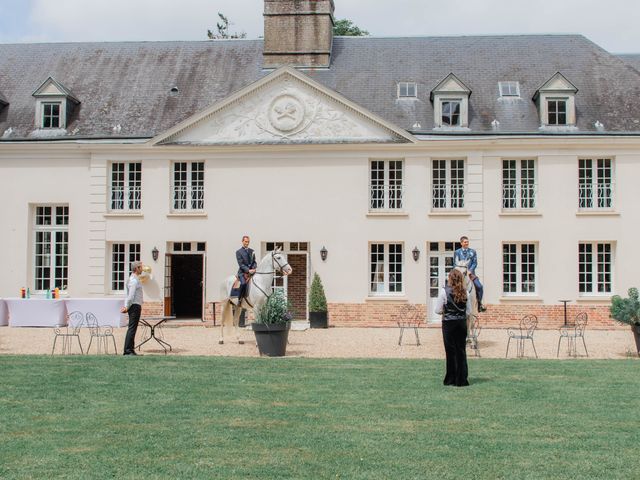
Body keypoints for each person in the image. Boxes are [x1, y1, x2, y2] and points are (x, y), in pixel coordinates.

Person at [435, 269, 471, 387]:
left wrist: (446, 311)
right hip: (461, 323)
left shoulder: (444, 292)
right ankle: (461, 379)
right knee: (461, 350)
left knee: (450, 351)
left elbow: (438, 310)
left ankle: (451, 378)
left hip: (449, 323)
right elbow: (468, 311)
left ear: (450, 279)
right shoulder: (466, 292)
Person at [454, 236, 486, 312]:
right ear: (461, 243)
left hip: (470, 274)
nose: (467, 243)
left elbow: (475, 263)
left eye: (467, 242)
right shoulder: (457, 252)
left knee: (479, 286)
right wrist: (458, 272)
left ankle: (479, 304)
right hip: (460, 274)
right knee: (451, 287)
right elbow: (455, 264)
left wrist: (470, 270)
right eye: (465, 242)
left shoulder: (473, 252)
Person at [120, 261, 143, 356]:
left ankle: (131, 349)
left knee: (133, 328)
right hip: (134, 306)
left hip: (134, 305)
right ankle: (128, 350)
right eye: (140, 267)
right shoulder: (133, 280)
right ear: (136, 268)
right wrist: (127, 307)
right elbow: (130, 296)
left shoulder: (135, 279)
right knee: (132, 328)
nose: (142, 269)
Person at [235, 235, 256, 301]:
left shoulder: (252, 251)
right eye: (245, 241)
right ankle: (240, 299)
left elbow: (254, 261)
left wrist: (254, 268)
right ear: (242, 241)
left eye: (248, 242)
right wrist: (248, 270)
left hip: (252, 271)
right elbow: (241, 264)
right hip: (242, 272)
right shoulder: (238, 252)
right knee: (243, 283)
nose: (247, 243)